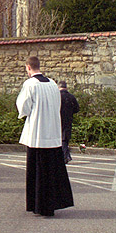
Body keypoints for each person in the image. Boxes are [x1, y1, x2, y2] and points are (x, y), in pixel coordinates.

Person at [16, 56, 74, 217]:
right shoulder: (53, 83)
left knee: (37, 172)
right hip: (53, 133)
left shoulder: (30, 84)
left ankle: (38, 205)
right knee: (50, 172)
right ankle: (51, 204)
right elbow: (58, 105)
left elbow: (23, 107)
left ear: (28, 67)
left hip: (37, 133)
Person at [58, 80, 79, 164]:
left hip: (58, 120)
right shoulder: (71, 97)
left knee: (60, 139)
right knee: (65, 139)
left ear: (59, 87)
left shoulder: (57, 96)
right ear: (66, 87)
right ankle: (66, 155)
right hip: (68, 120)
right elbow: (77, 109)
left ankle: (65, 156)